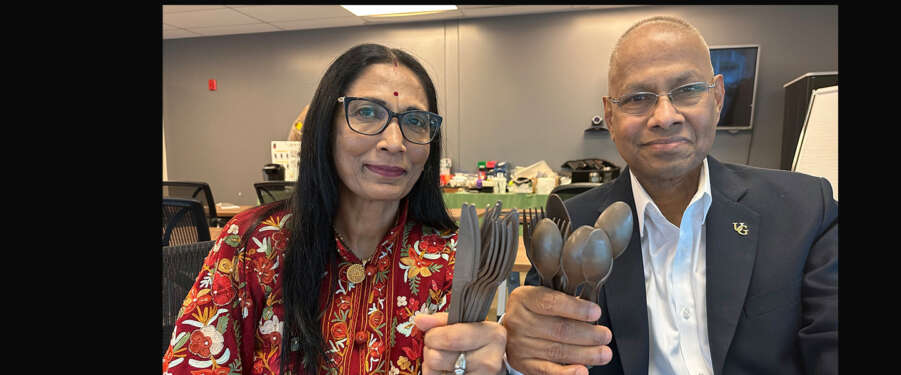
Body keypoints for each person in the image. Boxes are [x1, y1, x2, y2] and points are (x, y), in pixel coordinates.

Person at [502, 16, 838, 375]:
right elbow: (541, 354)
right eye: (638, 97)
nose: (665, 116)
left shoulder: (804, 210)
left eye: (687, 90)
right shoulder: (567, 227)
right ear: (610, 116)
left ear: (717, 98)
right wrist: (517, 357)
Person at [163, 43, 508, 375]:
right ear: (326, 127)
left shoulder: (454, 261)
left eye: (416, 121)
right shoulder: (255, 244)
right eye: (367, 112)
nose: (394, 143)